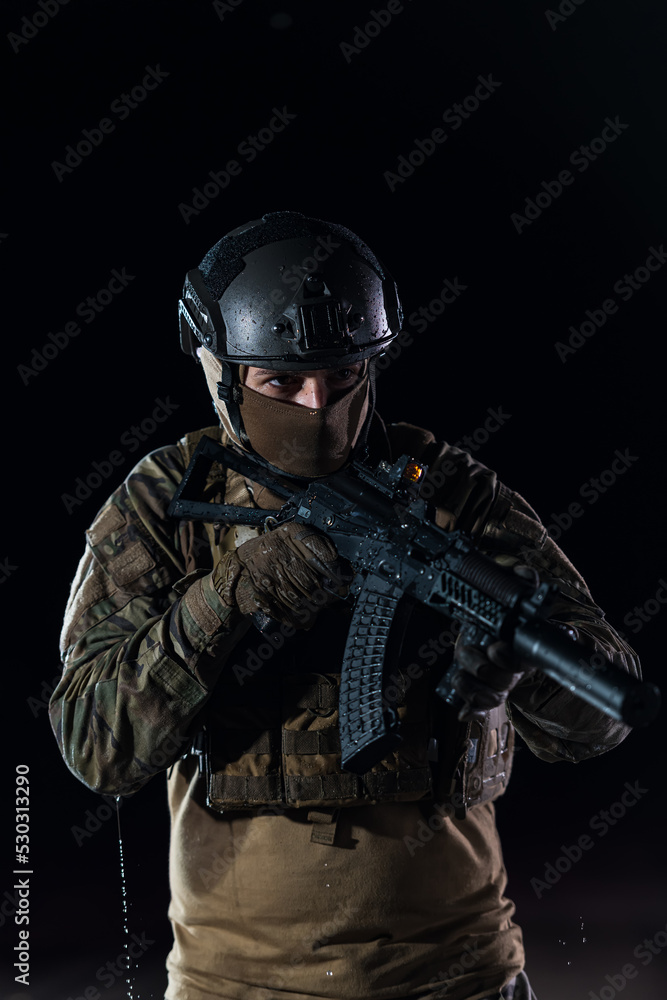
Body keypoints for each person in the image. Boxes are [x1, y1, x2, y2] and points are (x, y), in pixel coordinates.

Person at [50, 211, 640, 1000]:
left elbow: (599, 721)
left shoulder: (451, 494)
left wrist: (516, 671)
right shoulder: (169, 504)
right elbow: (97, 748)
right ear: (218, 371)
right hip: (240, 984)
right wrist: (233, 594)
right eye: (281, 382)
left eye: (345, 377)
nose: (316, 402)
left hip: (459, 978)